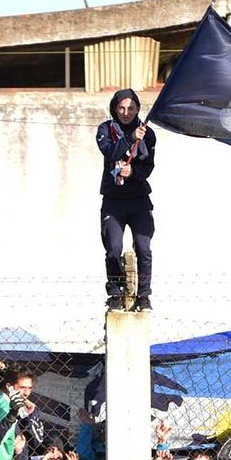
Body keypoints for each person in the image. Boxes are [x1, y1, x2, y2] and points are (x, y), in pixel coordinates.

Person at [96, 88, 157, 311]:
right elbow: (111, 153)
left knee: (144, 248)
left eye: (131, 108)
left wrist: (133, 173)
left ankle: (144, 295)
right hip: (113, 200)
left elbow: (148, 167)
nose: (126, 112)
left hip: (139, 200)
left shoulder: (147, 134)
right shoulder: (106, 129)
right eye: (121, 108)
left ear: (138, 109)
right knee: (113, 247)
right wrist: (130, 138)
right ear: (115, 108)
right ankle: (115, 292)